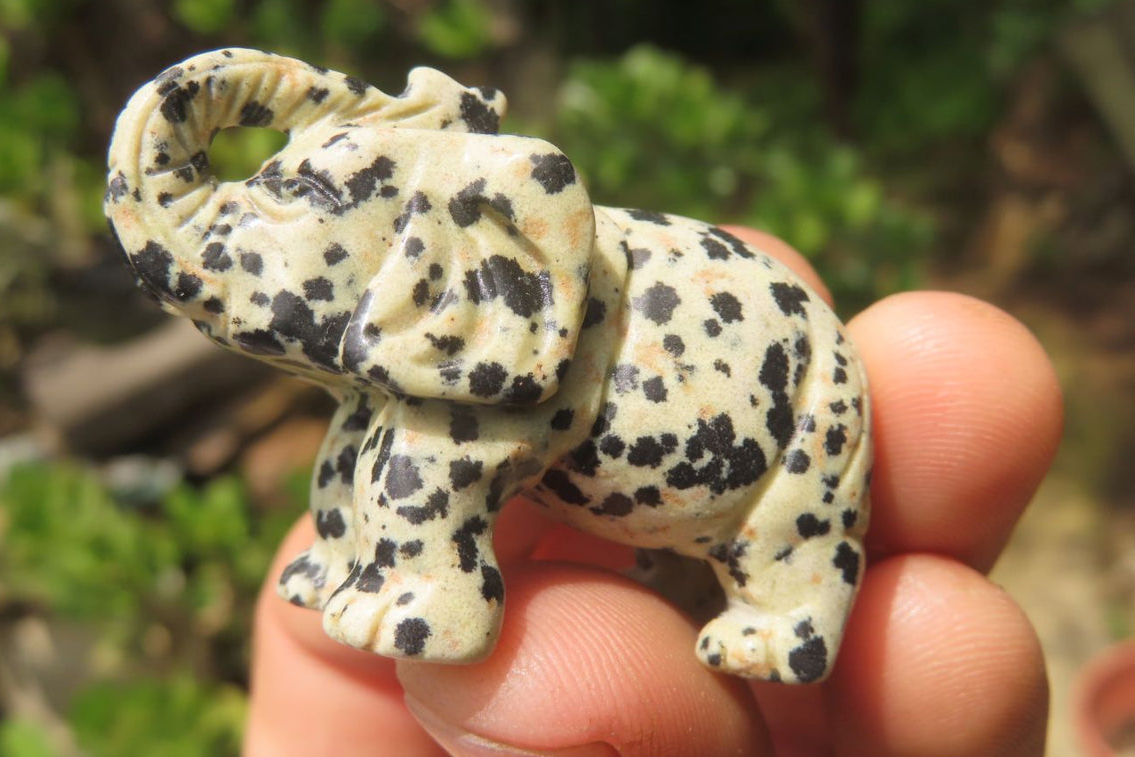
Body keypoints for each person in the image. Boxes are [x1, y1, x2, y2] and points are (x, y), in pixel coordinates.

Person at [243, 227, 1060, 756]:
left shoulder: (488, 292)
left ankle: (792, 609)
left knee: (807, 541)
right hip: (659, 457)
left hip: (754, 426)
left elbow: (445, 455)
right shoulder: (427, 332)